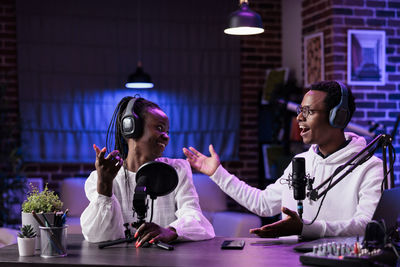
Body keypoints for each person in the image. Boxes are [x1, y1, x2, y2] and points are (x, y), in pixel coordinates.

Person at [183, 81, 383, 239]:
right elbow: (262, 203)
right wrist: (217, 173)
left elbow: (366, 224)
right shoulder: (301, 161)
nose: (299, 119)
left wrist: (306, 228)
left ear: (337, 117)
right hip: (287, 259)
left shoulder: (370, 167)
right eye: (300, 111)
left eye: (309, 112)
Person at [81, 96, 215, 246]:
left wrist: (170, 231)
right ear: (131, 128)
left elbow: (195, 217)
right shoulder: (99, 179)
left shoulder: (177, 169)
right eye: (159, 128)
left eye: (167, 131)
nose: (166, 137)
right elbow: (97, 235)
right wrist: (105, 186)